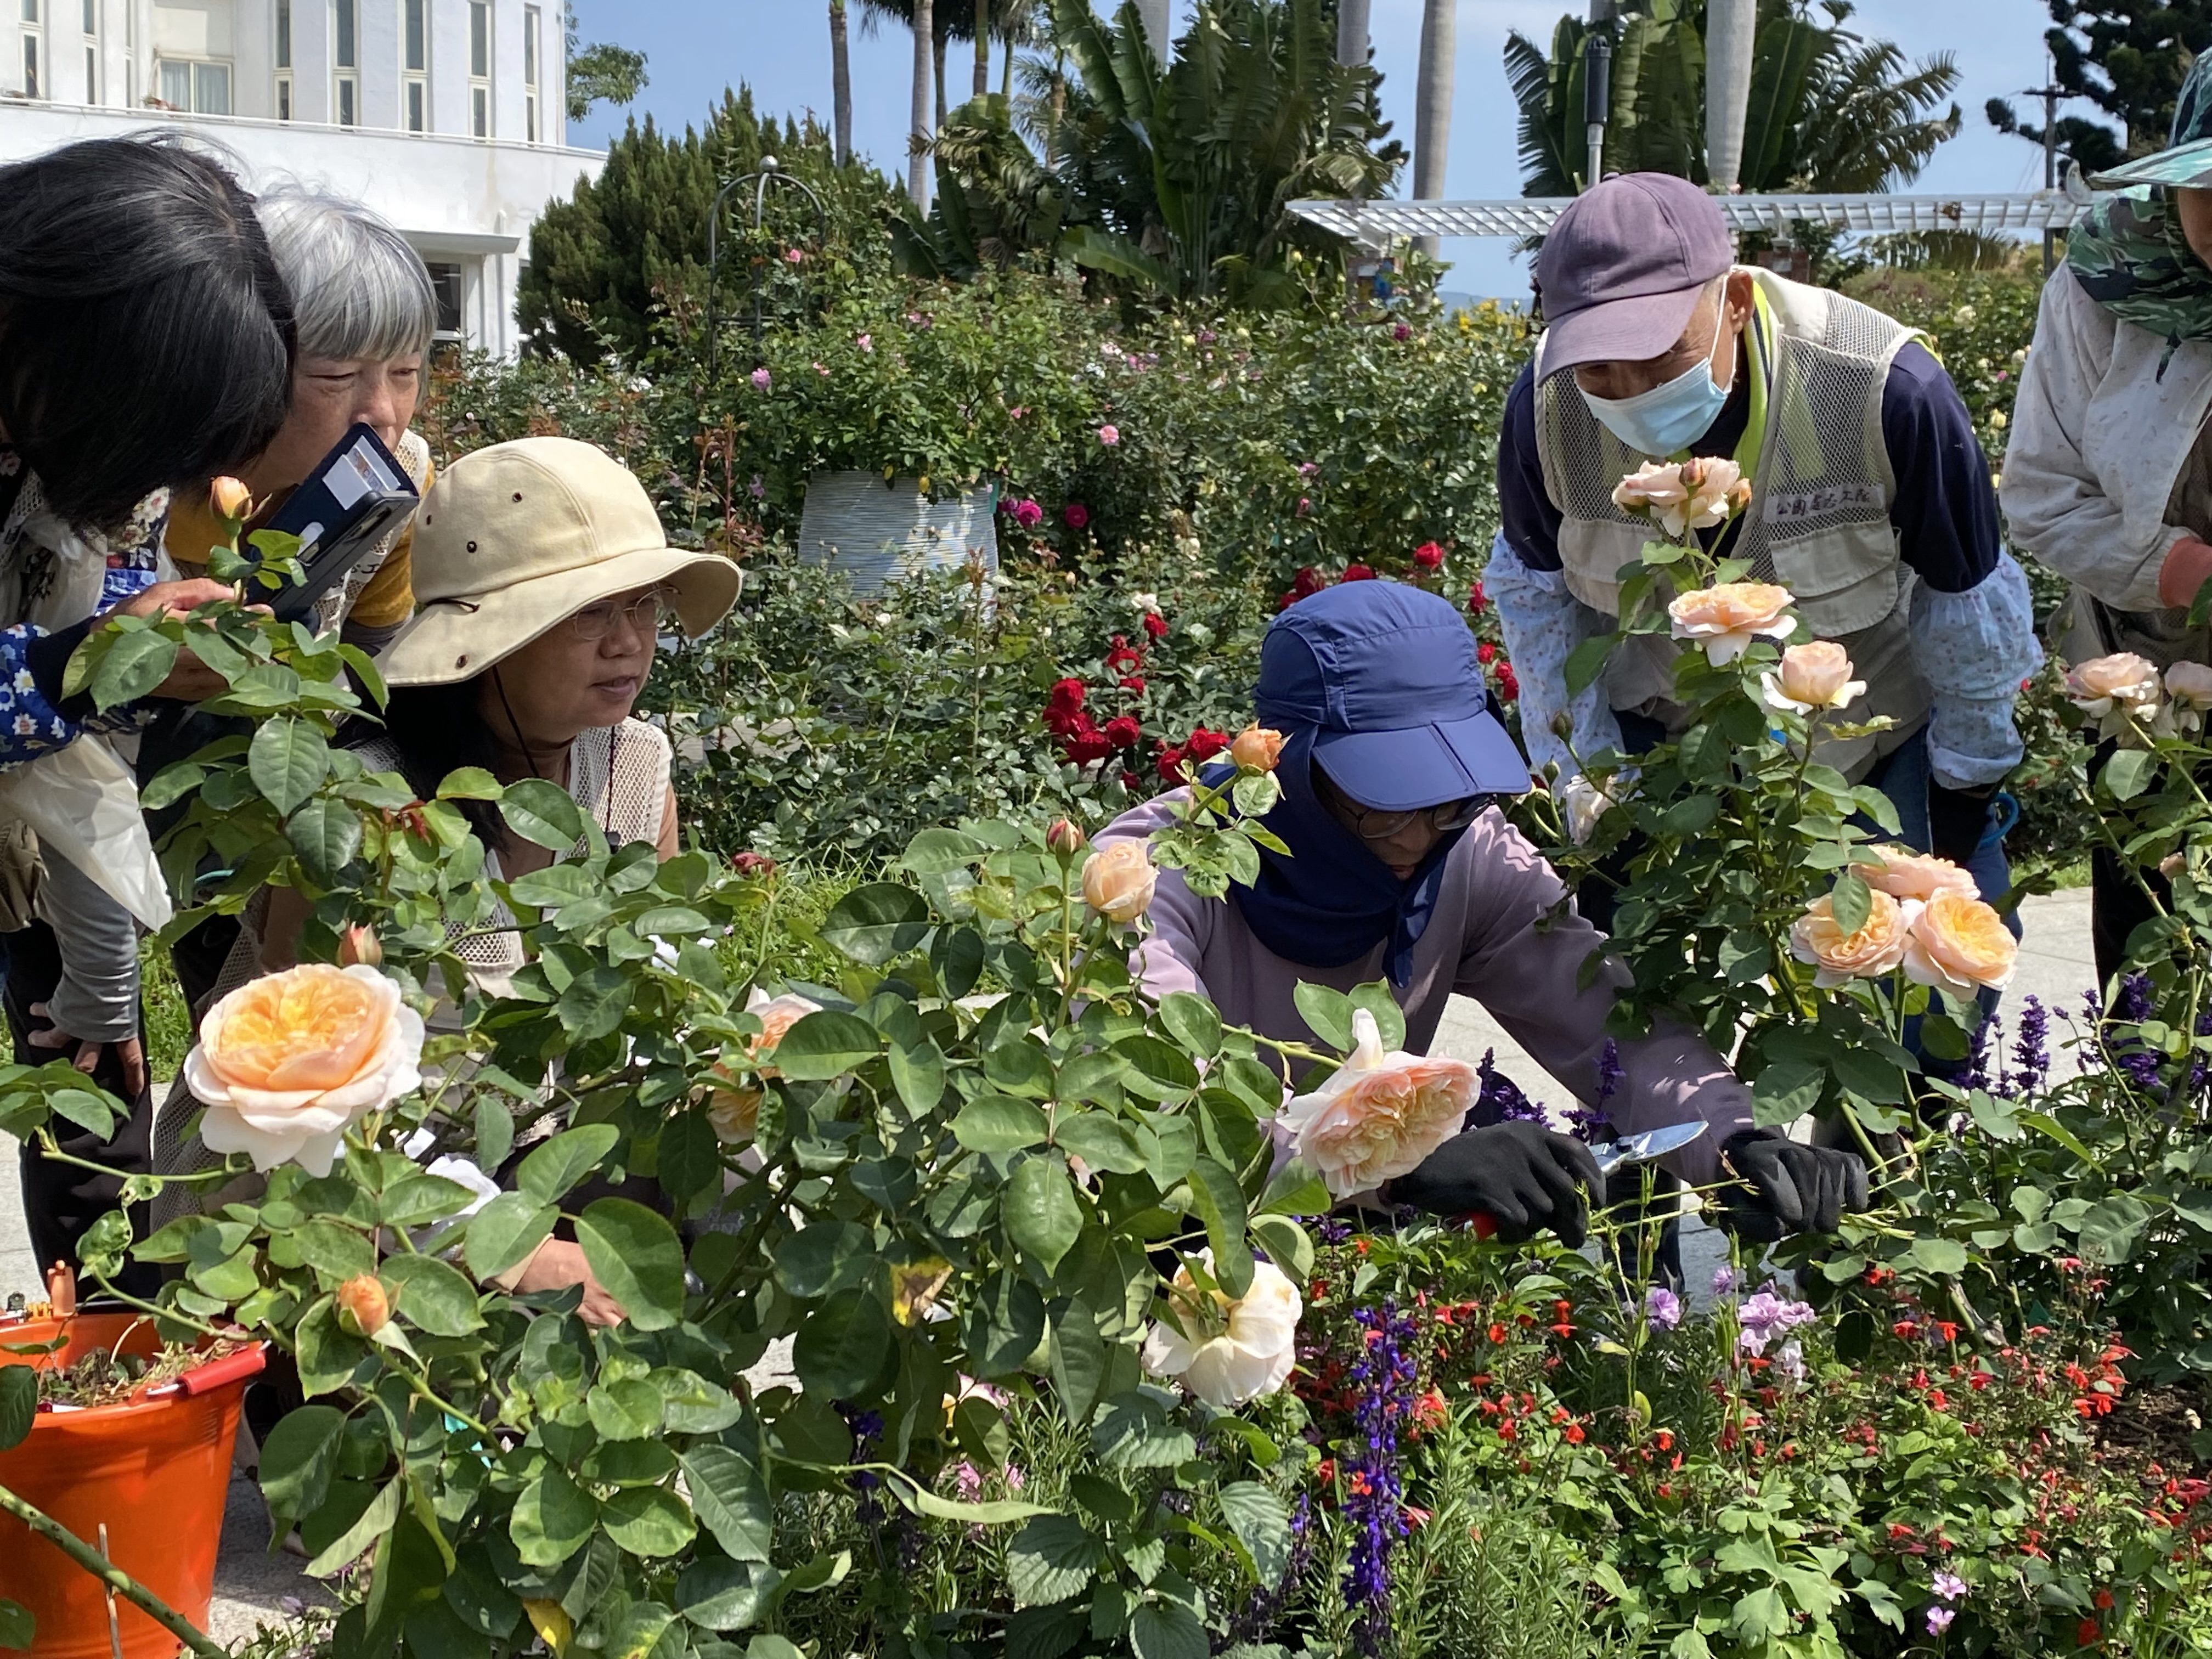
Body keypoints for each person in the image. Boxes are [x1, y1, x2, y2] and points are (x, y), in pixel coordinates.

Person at [1094, 582, 1870, 1254]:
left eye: (1447, 800)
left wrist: (1735, 1142)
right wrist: (1403, 1165)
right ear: (1289, 765)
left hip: (1341, 1236)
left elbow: (1610, 1024)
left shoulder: (1466, 852)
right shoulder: (1147, 875)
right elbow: (1158, 1105)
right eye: (1383, 801)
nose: (1416, 837)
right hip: (1162, 1241)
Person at [156, 437, 740, 1322]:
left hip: (525, 1148)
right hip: (330, 1190)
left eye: (646, 607)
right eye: (590, 613)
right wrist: (504, 1250)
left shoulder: (634, 765)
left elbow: (665, 1009)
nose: (629, 643)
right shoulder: (362, 802)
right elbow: (305, 1106)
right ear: (488, 641)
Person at [1490, 172, 2043, 926]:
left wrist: (1963, 788)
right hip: (1657, 727)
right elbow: (1537, 602)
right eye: (1598, 368)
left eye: (1658, 360)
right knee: (1633, 986)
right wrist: (1590, 781)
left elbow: (1968, 604)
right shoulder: (1547, 410)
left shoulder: (1886, 387)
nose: (1628, 393)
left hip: (1868, 732)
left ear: (1737, 300)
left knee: (1928, 977)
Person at [0, 135, 295, 1289]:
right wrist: (81, 663)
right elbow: (71, 672)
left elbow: (82, 738)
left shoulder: (45, 462)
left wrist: (98, 978)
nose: (144, 497)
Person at [151, 185, 442, 1015]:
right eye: (336, 376)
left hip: (270, 782)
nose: (380, 413)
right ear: (246, 356)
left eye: (408, 374)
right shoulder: (155, 486)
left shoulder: (403, 475)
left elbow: (377, 665)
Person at [1999, 54, 2212, 983]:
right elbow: (2040, 493)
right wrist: (2177, 570)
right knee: (2155, 977)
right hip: (2153, 695)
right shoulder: (2103, 291)